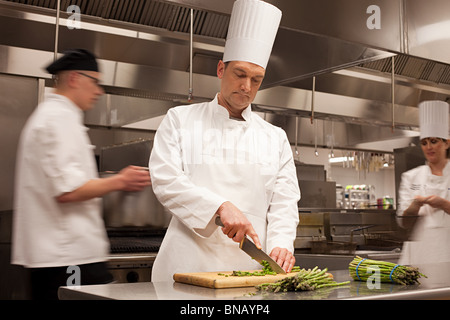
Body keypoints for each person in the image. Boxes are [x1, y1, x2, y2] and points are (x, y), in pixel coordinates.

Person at [149, 0, 300, 282]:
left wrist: (281, 244)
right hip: (186, 266)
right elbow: (165, 180)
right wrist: (220, 206)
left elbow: (285, 201)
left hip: (251, 270)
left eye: (256, 80)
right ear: (221, 70)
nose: (246, 87)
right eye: (239, 74)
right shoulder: (180, 119)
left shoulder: (275, 138)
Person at [11, 49, 151, 300]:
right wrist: (121, 180)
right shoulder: (57, 118)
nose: (99, 91)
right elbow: (68, 190)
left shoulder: (58, 117)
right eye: (95, 82)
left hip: (63, 255)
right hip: (67, 257)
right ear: (75, 78)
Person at [397, 100, 450, 265]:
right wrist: (414, 206)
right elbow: (404, 223)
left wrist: (443, 204)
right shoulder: (411, 177)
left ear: (447, 142)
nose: (429, 147)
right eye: (424, 142)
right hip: (420, 257)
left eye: (434, 141)